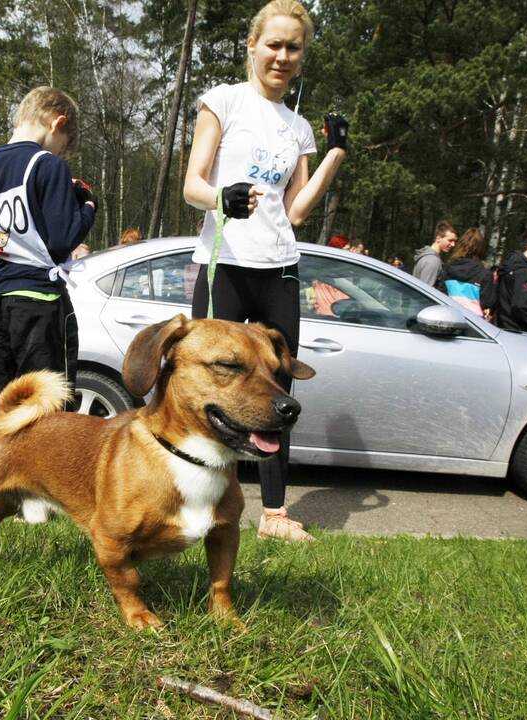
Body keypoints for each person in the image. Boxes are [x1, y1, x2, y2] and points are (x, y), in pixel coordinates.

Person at [183, 0, 348, 542]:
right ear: (252, 46)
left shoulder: (298, 127)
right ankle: (197, 496)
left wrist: (334, 154)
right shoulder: (223, 101)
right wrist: (220, 197)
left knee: (278, 388)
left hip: (279, 265)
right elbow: (193, 186)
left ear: (302, 56)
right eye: (273, 44)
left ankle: (274, 515)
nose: (282, 56)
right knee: (210, 382)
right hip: (224, 262)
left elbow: (296, 210)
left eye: (293, 47)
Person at [0, 85, 96, 421]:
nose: (62, 154)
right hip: (41, 304)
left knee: (1, 401)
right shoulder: (47, 165)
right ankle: (44, 474)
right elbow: (61, 240)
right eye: (64, 146)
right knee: (48, 403)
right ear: (57, 123)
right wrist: (87, 205)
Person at [442, 228, 495, 318]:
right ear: (481, 248)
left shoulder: (448, 267)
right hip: (474, 322)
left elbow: (441, 292)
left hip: (450, 317)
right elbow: (487, 302)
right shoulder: (485, 274)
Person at [412, 221, 457, 291]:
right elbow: (426, 292)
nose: (453, 244)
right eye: (450, 240)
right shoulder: (433, 261)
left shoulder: (426, 256)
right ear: (438, 238)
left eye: (454, 241)